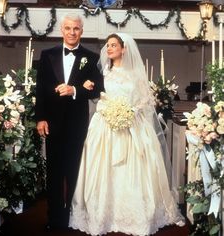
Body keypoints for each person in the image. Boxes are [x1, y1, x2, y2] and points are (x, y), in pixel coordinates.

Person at [69, 33, 185, 235]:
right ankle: (102, 214)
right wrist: (108, 111)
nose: (109, 48)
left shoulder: (136, 74)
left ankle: (140, 214)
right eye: (107, 45)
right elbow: (98, 97)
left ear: (124, 49)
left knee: (137, 169)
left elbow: (145, 101)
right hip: (106, 125)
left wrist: (130, 112)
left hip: (133, 125)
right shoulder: (103, 73)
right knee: (102, 167)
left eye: (113, 45)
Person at [35, 14, 104, 231]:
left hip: (77, 124)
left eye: (76, 28)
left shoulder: (91, 58)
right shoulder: (47, 55)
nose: (72, 32)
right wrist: (40, 118)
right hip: (52, 123)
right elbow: (40, 90)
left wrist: (74, 90)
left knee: (75, 171)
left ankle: (74, 218)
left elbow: (99, 88)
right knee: (54, 172)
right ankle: (55, 219)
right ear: (61, 30)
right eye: (68, 28)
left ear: (81, 31)